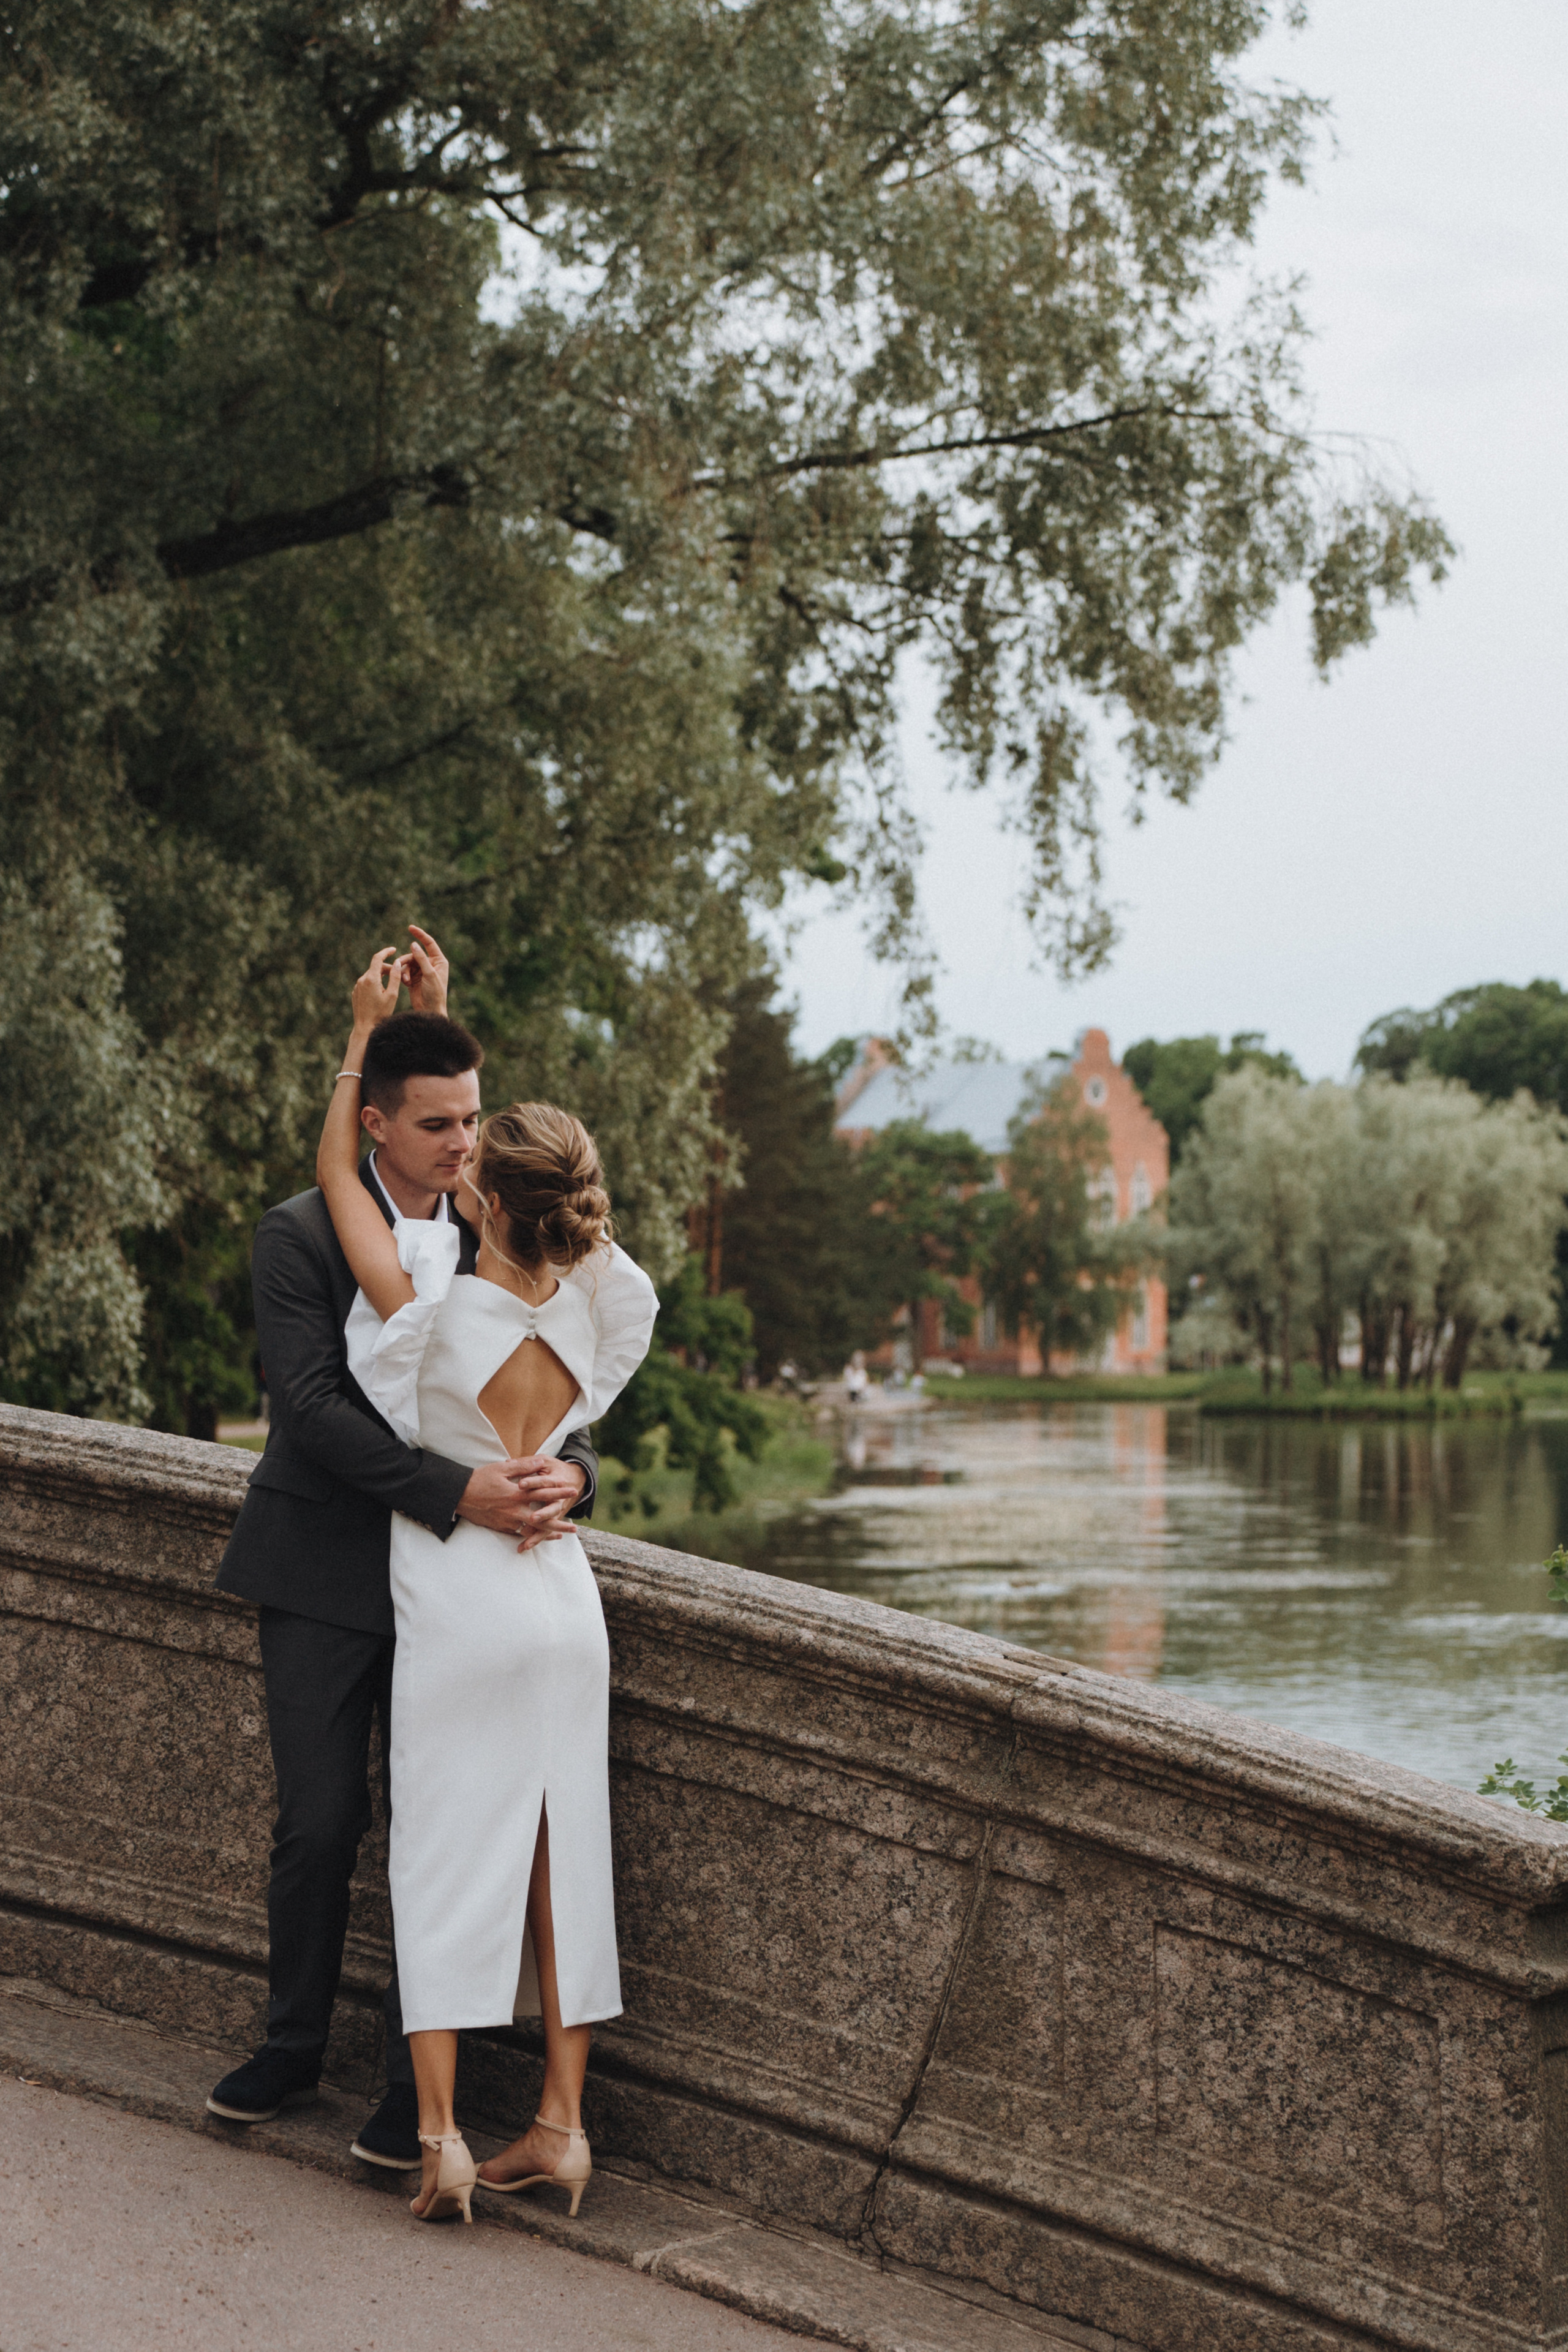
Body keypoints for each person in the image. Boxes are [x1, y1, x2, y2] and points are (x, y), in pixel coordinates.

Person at [207, 929, 601, 2174]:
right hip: (324, 1569)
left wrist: (577, 1476)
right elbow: (312, 1411)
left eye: (473, 1121)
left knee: (448, 1828)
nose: (463, 1144)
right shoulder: (300, 1234)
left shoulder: (499, 1229)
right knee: (322, 1824)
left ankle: (409, 2099)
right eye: (438, 1124)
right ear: (375, 1123)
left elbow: (562, 1386)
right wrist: (458, 1492)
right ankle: (290, 2047)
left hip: (470, 1590)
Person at [314, 946, 657, 2224]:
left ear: (484, 1194)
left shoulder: (428, 1307)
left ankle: (444, 2140)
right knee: (568, 1861)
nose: (455, 1154)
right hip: (563, 1600)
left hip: (463, 1597)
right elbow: (530, 1175)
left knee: (444, 1856)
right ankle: (561, 2126)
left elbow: (341, 1176)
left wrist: (372, 1043)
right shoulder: (602, 1299)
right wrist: (442, 1025)